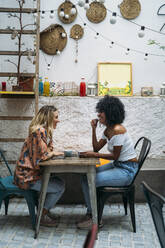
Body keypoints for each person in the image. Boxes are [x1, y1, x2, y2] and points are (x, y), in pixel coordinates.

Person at [77, 95, 138, 229]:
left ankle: (94, 218)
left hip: (126, 170)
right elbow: (96, 147)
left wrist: (94, 154)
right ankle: (91, 213)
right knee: (85, 178)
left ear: (110, 112)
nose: (98, 114)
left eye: (102, 111)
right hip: (118, 166)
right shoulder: (108, 129)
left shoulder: (118, 130)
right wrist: (93, 129)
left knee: (89, 181)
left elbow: (115, 156)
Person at [14, 105, 65, 227]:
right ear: (48, 118)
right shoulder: (39, 131)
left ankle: (43, 211)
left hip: (30, 174)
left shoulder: (44, 131)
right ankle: (42, 215)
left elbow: (47, 150)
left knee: (59, 182)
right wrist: (52, 152)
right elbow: (42, 157)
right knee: (59, 186)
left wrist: (51, 150)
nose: (59, 120)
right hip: (26, 177)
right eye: (56, 117)